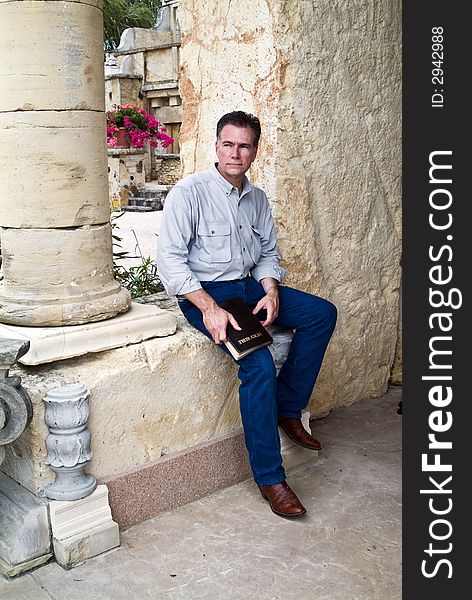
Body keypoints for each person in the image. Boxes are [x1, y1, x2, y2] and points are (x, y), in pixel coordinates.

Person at [157, 111, 337, 518]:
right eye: (228, 144)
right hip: (206, 293)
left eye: (244, 146)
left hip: (249, 288)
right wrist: (209, 308)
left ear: (255, 151)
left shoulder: (256, 198)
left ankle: (288, 410)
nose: (235, 153)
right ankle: (271, 478)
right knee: (257, 363)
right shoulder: (189, 193)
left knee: (321, 314)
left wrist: (271, 290)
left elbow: (267, 255)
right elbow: (169, 261)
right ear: (216, 147)